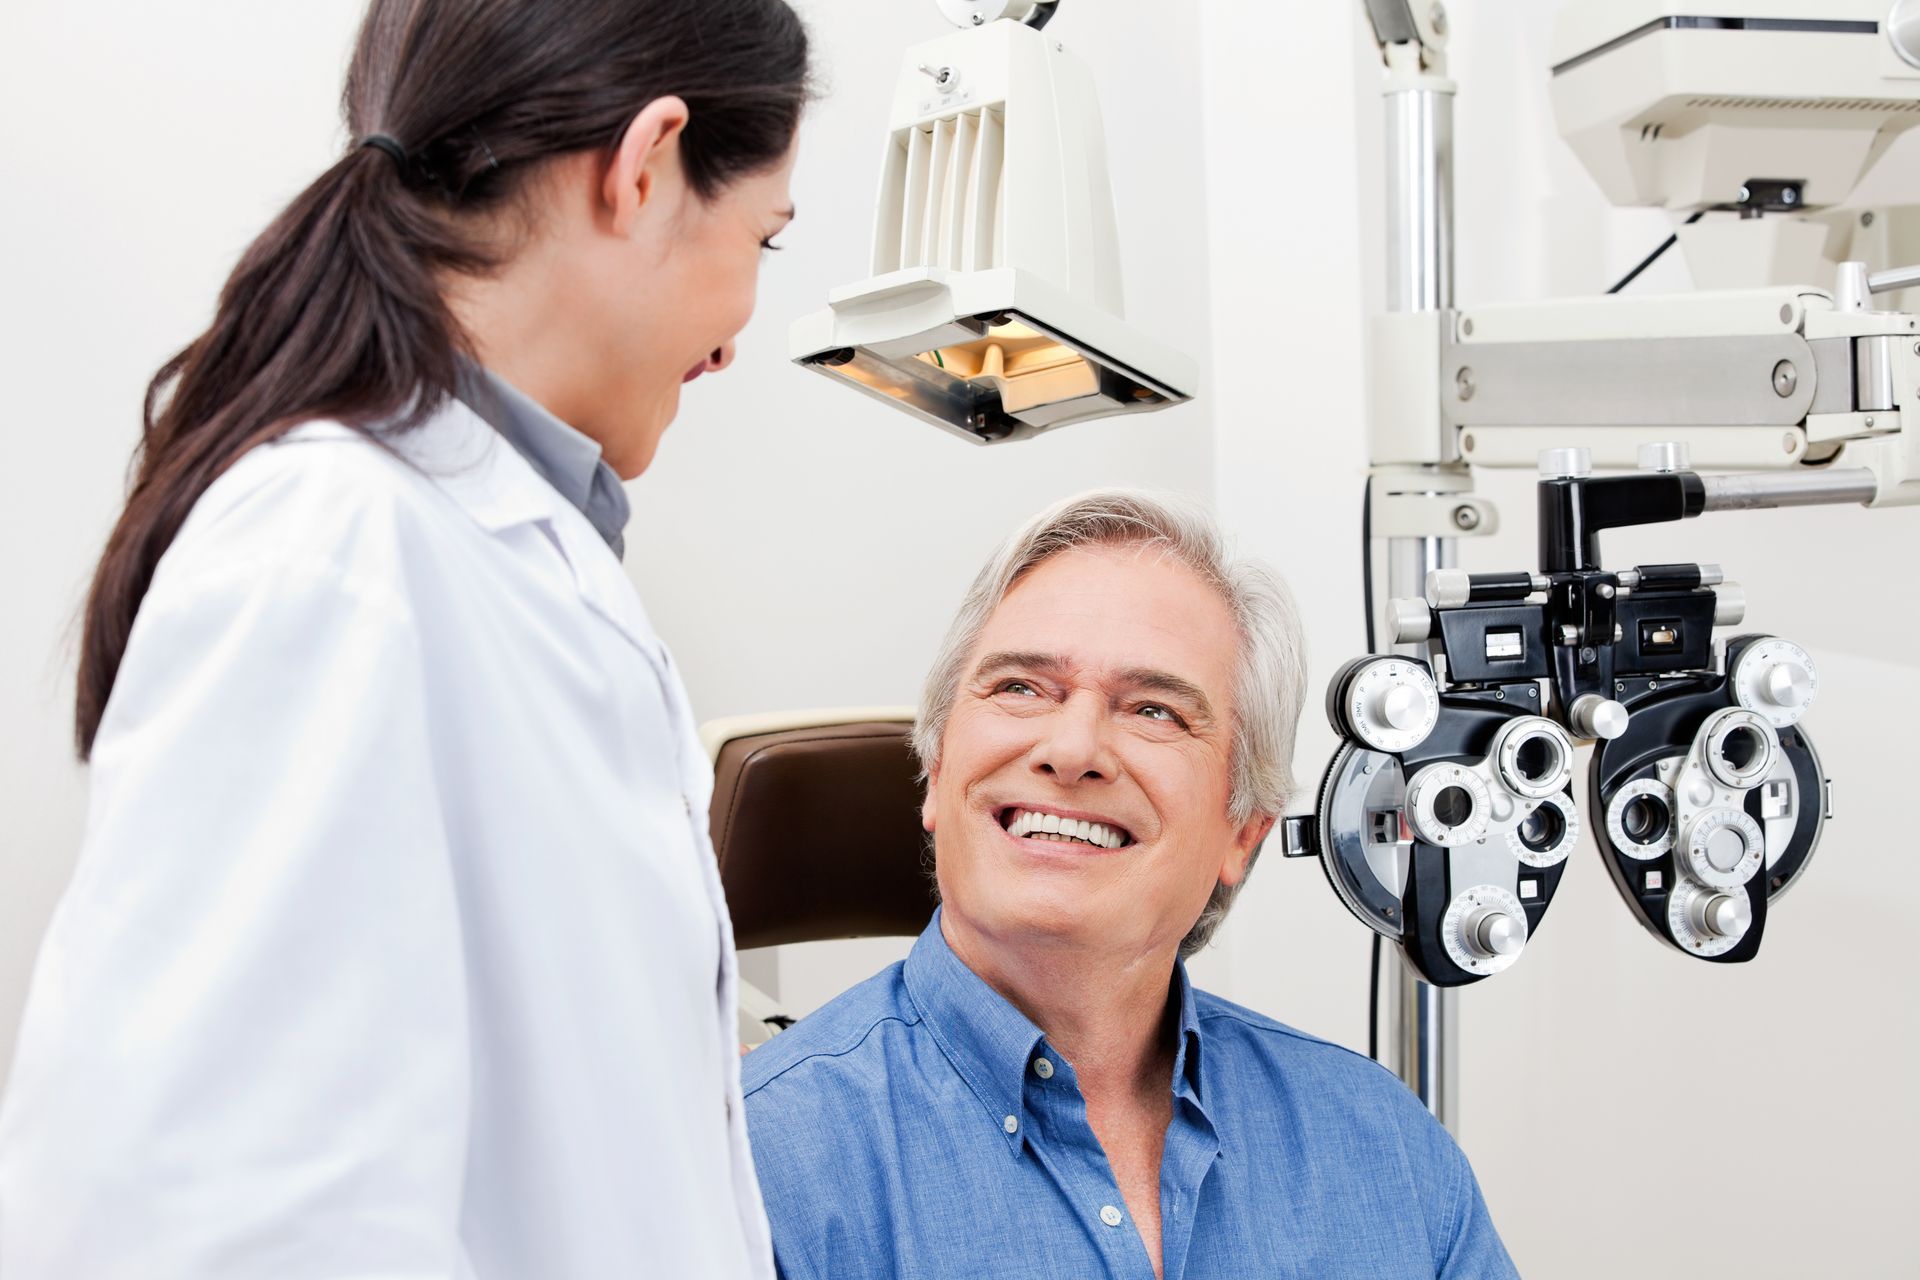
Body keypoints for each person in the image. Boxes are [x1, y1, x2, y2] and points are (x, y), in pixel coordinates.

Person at [0, 2, 809, 1276]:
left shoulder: (500, 558)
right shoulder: (330, 545)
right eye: (764, 235)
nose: (740, 325)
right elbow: (201, 1223)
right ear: (648, 164)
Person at [741, 490, 1519, 1279]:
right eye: (1019, 687)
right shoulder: (756, 1163)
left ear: (1243, 828)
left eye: (1155, 710)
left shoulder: (1386, 1154)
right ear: (936, 773)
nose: (1073, 747)